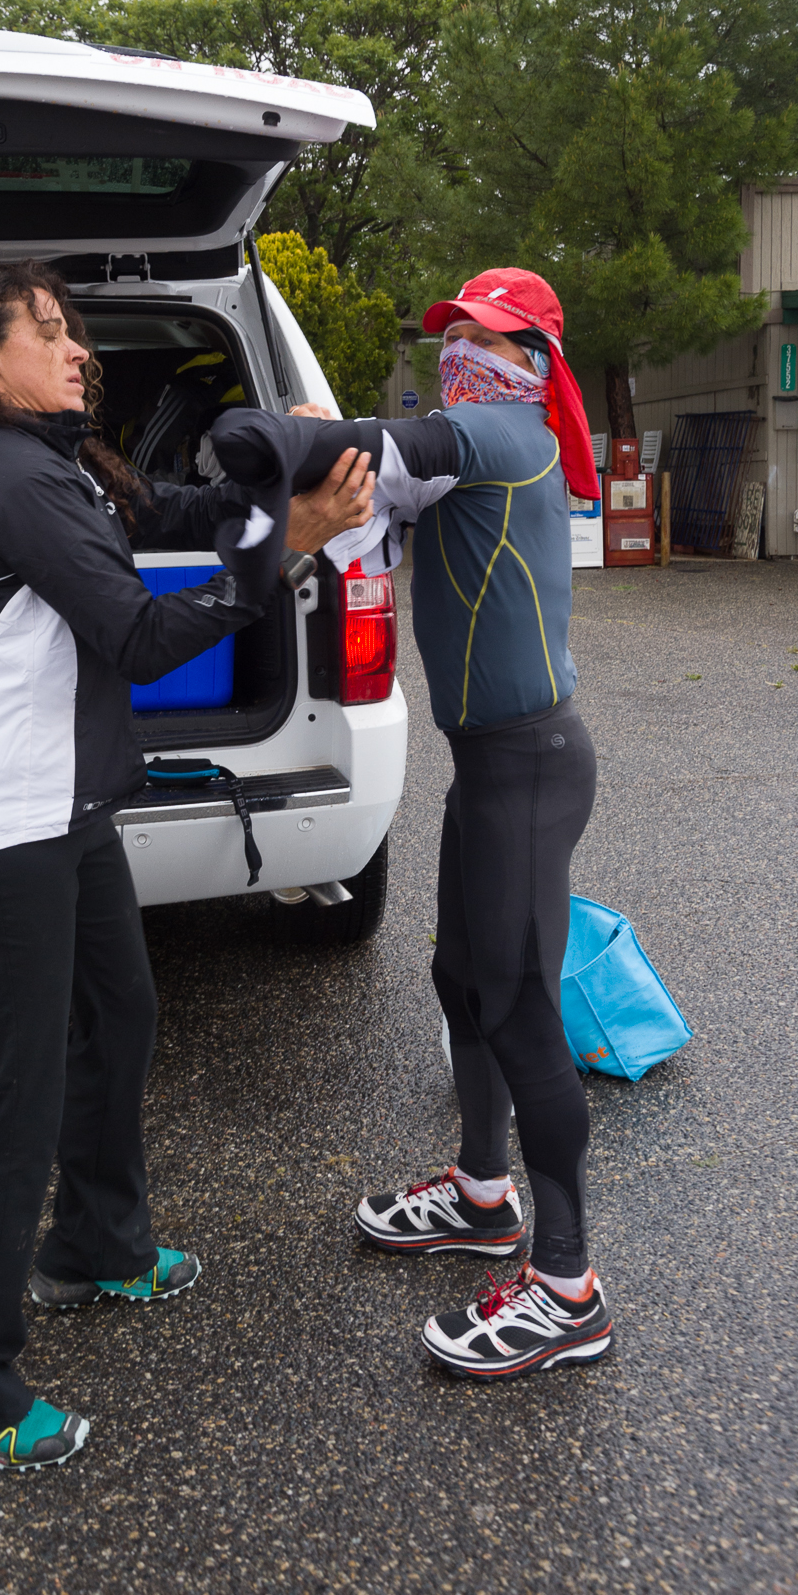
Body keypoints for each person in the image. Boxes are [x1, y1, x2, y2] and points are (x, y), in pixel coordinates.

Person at [0, 258, 374, 1469]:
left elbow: (168, 511)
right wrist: (293, 549)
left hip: (69, 813)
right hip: (8, 833)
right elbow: (146, 638)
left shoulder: (64, 465)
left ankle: (94, 1245)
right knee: (15, 1101)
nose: (75, 349)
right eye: (45, 333)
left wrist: (281, 475)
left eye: (71, 331)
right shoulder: (15, 482)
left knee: (120, 1017)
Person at [208, 267, 611, 1380]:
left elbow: (309, 450)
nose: (458, 349)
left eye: (482, 333)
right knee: (461, 982)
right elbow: (366, 483)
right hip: (492, 770)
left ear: (530, 355)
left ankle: (568, 1286)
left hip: (527, 769)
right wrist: (322, 444)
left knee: (523, 1007)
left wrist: (282, 434)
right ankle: (484, 1195)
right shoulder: (473, 442)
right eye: (450, 331)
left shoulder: (496, 431)